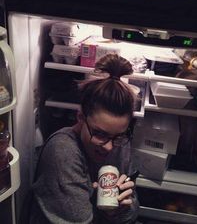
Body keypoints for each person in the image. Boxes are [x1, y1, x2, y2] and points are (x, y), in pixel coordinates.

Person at [28, 54, 139, 224]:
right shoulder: (63, 150)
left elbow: (133, 210)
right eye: (100, 134)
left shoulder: (120, 143)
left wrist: (121, 210)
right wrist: (109, 214)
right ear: (80, 117)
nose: (110, 147)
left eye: (118, 136)